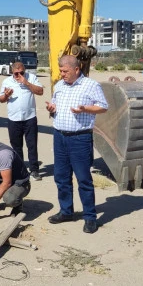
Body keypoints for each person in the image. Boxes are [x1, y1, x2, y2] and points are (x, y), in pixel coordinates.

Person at [45, 55, 108, 234]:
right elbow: (55, 106)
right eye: (61, 71)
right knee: (61, 177)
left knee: (83, 179)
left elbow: (103, 106)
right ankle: (66, 211)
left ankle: (90, 217)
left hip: (80, 139)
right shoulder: (59, 85)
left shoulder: (91, 85)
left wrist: (85, 109)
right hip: (59, 137)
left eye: (65, 71)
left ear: (76, 69)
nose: (62, 74)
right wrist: (51, 109)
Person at [0, 61, 44, 180]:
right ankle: (21, 170)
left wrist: (26, 83)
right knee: (16, 146)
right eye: (16, 73)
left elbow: (40, 91)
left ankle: (34, 170)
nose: (19, 75)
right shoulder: (7, 81)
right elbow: (1, 99)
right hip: (13, 119)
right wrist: (6, 95)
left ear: (25, 71)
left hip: (30, 118)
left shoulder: (31, 78)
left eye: (22, 73)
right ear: (12, 72)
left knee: (32, 145)